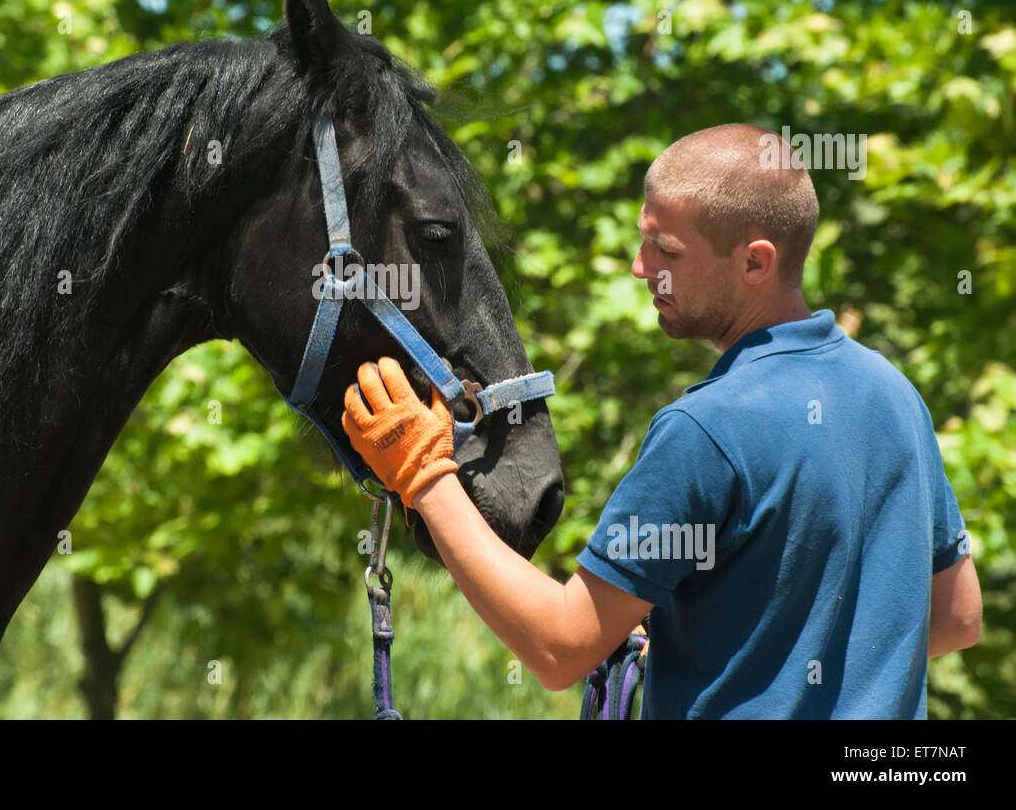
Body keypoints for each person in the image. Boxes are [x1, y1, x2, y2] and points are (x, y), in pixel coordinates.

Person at [340, 123, 982, 718]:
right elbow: (957, 617)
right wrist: (712, 636)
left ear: (756, 262)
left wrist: (423, 475)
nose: (640, 267)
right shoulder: (893, 395)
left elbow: (562, 649)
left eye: (665, 249)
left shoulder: (707, 430)